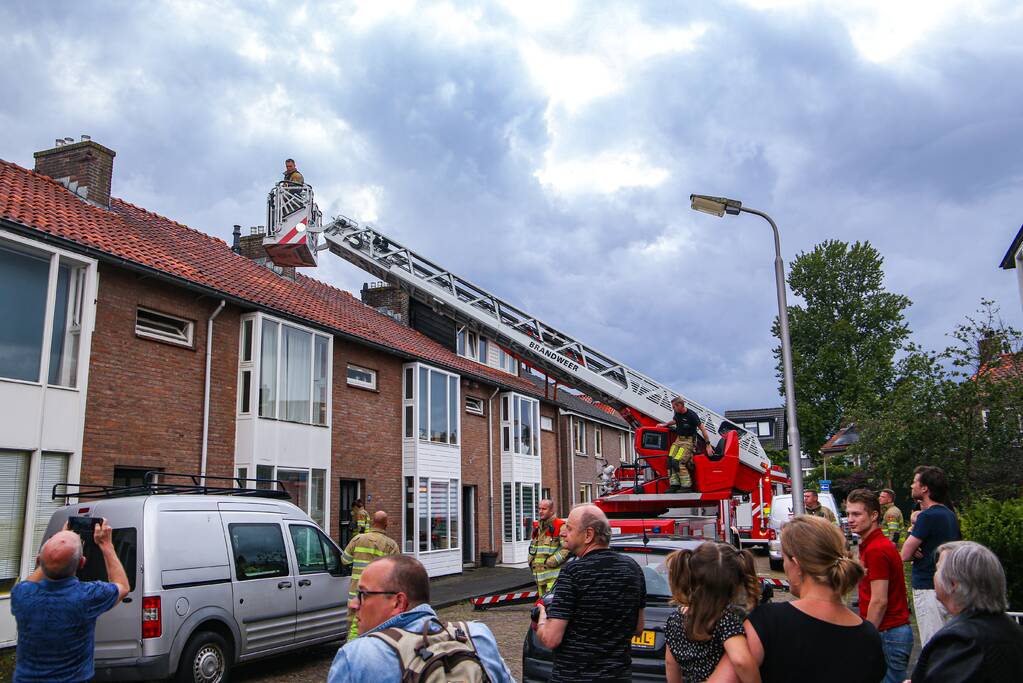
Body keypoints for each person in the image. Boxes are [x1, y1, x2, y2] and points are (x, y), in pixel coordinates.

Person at [743, 515, 886, 683]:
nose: (784, 566)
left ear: (797, 564)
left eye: (784, 559)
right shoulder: (869, 636)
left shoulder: (767, 621)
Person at [327, 555, 514, 682]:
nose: (353, 603)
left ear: (398, 602)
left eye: (364, 594)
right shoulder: (476, 636)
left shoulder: (357, 656)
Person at [536, 503, 646, 682]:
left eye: (569, 529)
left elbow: (551, 639)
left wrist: (541, 621)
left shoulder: (573, 572)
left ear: (588, 535)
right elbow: (638, 628)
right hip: (618, 677)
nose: (563, 533)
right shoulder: (633, 569)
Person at [12, 519, 130, 683]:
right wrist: (106, 545)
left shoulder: (21, 594)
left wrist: (58, 543)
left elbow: (32, 579)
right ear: (82, 563)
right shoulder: (86, 597)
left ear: (39, 561)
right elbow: (122, 586)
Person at [910, 541, 1023, 682]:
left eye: (937, 569)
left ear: (953, 584)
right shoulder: (1013, 630)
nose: (934, 576)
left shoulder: (961, 641)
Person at [663, 543, 761, 683]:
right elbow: (741, 661)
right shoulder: (726, 621)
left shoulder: (674, 619)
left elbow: (670, 663)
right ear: (732, 584)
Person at [845, 489, 912, 683]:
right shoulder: (873, 545)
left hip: (888, 632)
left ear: (874, 515)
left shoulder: (876, 549)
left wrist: (866, 637)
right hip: (890, 632)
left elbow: (879, 600)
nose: (850, 519)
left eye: (857, 514)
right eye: (848, 513)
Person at [900, 465, 960, 646]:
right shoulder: (949, 514)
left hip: (927, 587)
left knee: (932, 644)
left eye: (914, 482)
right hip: (949, 586)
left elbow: (905, 554)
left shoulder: (927, 517)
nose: (911, 486)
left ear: (925, 488)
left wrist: (913, 541)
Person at [341, 510, 400, 640]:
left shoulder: (357, 539)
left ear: (373, 522)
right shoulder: (391, 546)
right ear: (386, 524)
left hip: (355, 596)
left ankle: (352, 653)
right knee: (375, 632)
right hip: (377, 598)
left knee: (353, 629)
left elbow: (344, 560)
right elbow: (397, 573)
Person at [657, 397, 712, 493]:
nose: (673, 409)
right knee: (670, 460)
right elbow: (675, 421)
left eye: (674, 407)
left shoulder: (692, 415)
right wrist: (665, 424)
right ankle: (674, 485)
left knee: (677, 461)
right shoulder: (677, 413)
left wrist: (708, 444)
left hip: (687, 442)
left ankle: (686, 486)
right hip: (678, 440)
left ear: (680, 406)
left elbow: (702, 429)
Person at [528, 499, 568, 596]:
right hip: (540, 579)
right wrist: (530, 560)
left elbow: (567, 548)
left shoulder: (560, 526)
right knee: (542, 608)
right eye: (539, 508)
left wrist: (552, 561)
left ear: (551, 511)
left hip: (553, 580)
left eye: (544, 509)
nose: (540, 511)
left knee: (550, 607)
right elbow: (534, 548)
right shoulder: (538, 528)